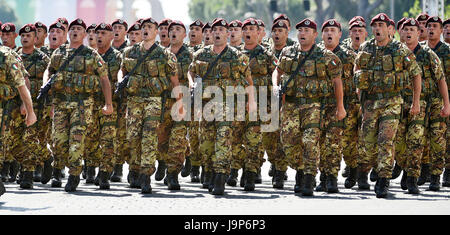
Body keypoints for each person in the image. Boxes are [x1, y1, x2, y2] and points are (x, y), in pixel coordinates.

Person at [273, 18, 346, 196]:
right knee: (288, 142)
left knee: (310, 142)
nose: (302, 34)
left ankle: (308, 177)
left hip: (314, 106)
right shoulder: (287, 53)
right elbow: (278, 71)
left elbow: (337, 82)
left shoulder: (326, 57)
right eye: (300, 31)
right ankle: (301, 168)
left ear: (315, 35)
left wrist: (340, 107)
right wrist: (275, 85)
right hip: (290, 105)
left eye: (307, 31)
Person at [354, 13, 422, 198]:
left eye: (381, 26)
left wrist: (415, 102)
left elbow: (416, 74)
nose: (377, 29)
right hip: (370, 102)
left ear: (389, 29)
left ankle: (384, 181)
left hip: (392, 102)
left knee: (386, 141)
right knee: (367, 142)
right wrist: (359, 91)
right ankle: (366, 170)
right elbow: (357, 67)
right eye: (375, 26)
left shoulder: (400, 50)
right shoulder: (366, 47)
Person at [188, 18, 255, 195]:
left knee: (223, 140)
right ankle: (209, 172)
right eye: (214, 30)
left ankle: (220, 176)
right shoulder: (201, 54)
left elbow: (249, 81)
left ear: (227, 33)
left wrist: (252, 101)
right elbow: (191, 71)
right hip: (207, 104)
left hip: (229, 105)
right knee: (206, 143)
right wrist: (192, 84)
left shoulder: (238, 56)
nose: (217, 33)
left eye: (221, 30)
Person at [45, 18, 113, 192]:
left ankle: (74, 175)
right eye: (73, 29)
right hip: (61, 103)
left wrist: (108, 103)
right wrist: (49, 98)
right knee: (58, 141)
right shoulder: (59, 52)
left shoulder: (91, 54)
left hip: (82, 104)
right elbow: (50, 72)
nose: (75, 31)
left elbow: (104, 79)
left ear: (84, 34)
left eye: (79, 29)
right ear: (69, 32)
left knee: (77, 139)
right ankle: (58, 168)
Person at [121, 17, 181, 194]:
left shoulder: (165, 54)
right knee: (133, 137)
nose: (145, 30)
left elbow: (174, 80)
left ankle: (146, 175)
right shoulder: (129, 52)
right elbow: (123, 72)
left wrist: (179, 103)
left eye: (149, 27)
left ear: (156, 31)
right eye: (143, 27)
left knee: (149, 136)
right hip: (134, 100)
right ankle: (136, 167)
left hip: (154, 100)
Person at [317, 19, 358, 193]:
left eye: (333, 30)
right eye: (326, 30)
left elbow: (357, 82)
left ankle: (346, 171)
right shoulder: (315, 54)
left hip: (343, 105)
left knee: (340, 143)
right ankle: (325, 177)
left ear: (340, 35)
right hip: (318, 106)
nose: (329, 34)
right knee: (320, 142)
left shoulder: (349, 56)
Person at [17, 24, 51, 189]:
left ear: (35, 38)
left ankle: (28, 174)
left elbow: (50, 81)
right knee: (16, 138)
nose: (25, 38)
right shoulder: (15, 56)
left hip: (37, 105)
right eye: (22, 35)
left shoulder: (43, 58)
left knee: (30, 137)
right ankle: (46, 157)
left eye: (28, 36)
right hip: (16, 104)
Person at [0, 43, 38, 195]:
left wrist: (30, 111)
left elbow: (22, 85)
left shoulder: (6, 56)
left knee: (9, 144)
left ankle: (37, 162)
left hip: (8, 106)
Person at [425, 16, 450, 189]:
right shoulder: (420, 51)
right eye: (429, 26)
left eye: (435, 26)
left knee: (441, 138)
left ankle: (441, 173)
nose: (432, 29)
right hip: (423, 100)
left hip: (443, 100)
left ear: (441, 31)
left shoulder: (447, 51)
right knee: (420, 138)